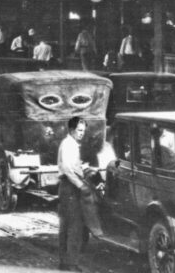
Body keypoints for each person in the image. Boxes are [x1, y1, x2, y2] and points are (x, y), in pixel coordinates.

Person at [57, 116, 104, 271]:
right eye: (79, 130)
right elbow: (68, 170)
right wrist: (81, 185)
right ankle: (71, 264)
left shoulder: (71, 144)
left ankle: (65, 262)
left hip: (69, 187)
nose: (82, 133)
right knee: (75, 226)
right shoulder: (68, 145)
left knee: (67, 225)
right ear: (71, 130)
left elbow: (72, 167)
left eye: (83, 131)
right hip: (70, 187)